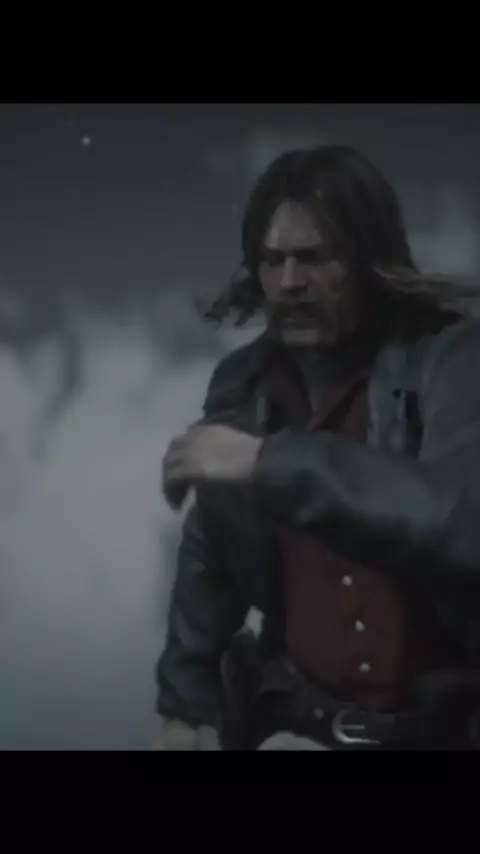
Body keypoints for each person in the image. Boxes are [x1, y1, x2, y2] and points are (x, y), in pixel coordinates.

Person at [156, 145, 480, 750]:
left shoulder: (452, 358)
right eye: (272, 260)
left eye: (315, 257)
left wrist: (266, 462)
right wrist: (183, 707)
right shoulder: (242, 384)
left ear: (369, 260)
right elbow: (212, 549)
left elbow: (457, 516)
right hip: (298, 728)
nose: (289, 282)